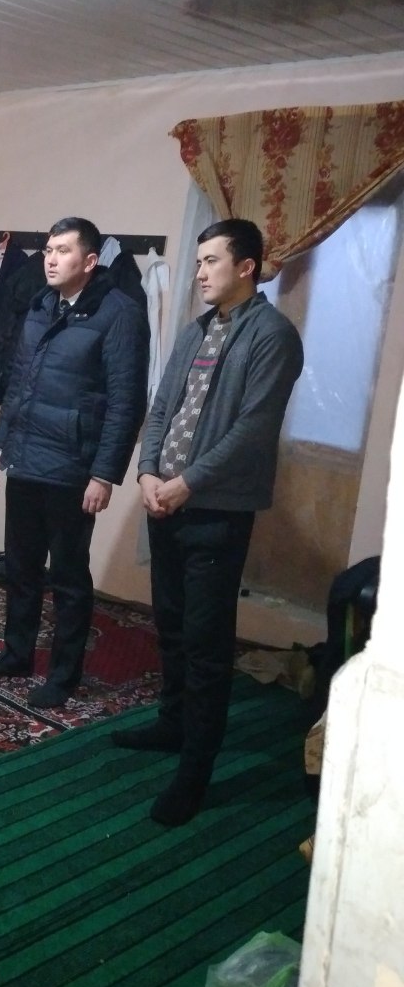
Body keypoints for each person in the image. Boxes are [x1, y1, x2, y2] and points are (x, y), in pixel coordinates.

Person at [114, 218, 304, 827]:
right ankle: (173, 725)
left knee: (206, 643)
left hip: (216, 512)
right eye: (197, 262)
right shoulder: (197, 329)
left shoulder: (272, 335)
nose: (199, 273)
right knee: (171, 626)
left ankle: (196, 770)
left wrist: (188, 482)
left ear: (247, 267)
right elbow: (162, 409)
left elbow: (253, 429)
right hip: (165, 502)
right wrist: (147, 471)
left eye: (211, 261)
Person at [0, 217, 149, 709]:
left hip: (73, 466)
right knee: (21, 566)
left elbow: (126, 402)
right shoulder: (42, 304)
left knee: (68, 576)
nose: (50, 259)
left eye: (63, 250)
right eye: (48, 249)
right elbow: (20, 382)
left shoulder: (119, 313)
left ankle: (64, 677)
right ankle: (16, 654)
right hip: (27, 457)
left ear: (89, 261)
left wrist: (104, 474)